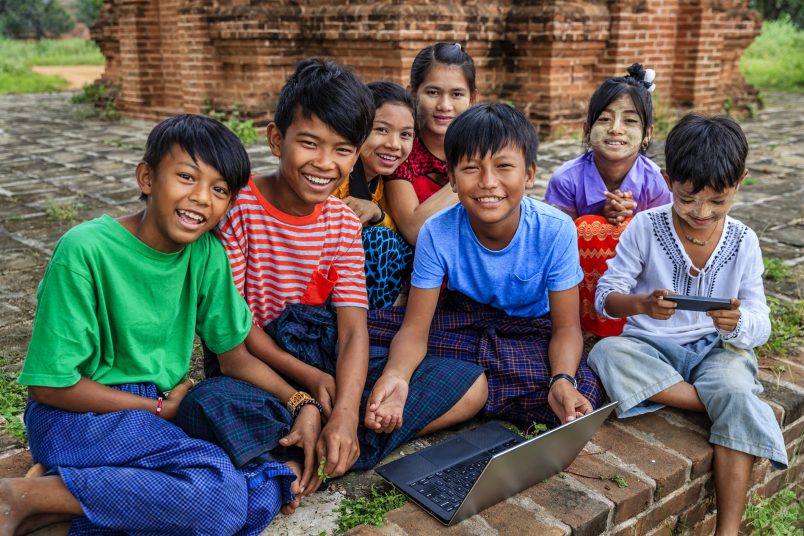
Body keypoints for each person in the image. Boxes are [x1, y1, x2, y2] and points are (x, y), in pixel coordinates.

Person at [177, 59, 487, 494]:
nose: (324, 163)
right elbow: (234, 340)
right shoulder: (237, 207)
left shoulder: (341, 223)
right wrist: (309, 389)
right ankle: (329, 441)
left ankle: (320, 443)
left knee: (469, 385)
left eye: (343, 149)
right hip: (254, 367)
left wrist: (342, 410)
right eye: (309, 143)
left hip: (319, 352)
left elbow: (352, 333)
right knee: (205, 406)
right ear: (276, 138)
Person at [2, 115, 306, 536]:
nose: (202, 198)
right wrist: (158, 409)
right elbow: (49, 386)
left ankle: (58, 506)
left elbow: (235, 359)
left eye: (220, 190)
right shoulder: (86, 250)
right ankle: (20, 497)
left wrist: (301, 402)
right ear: (147, 177)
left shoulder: (206, 255)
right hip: (76, 414)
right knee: (220, 494)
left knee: (221, 500)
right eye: (187, 177)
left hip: (150, 418)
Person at [587, 114, 787, 535]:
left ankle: (727, 530)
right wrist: (640, 303)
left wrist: (735, 324)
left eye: (719, 201)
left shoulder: (744, 241)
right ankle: (730, 400)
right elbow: (605, 298)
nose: (701, 212)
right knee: (606, 352)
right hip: (650, 348)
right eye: (688, 198)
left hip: (716, 347)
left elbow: (760, 321)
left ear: (741, 181)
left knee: (731, 371)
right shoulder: (646, 226)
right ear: (668, 179)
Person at [367, 103, 604, 431]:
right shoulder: (437, 231)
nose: (488, 182)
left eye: (504, 166)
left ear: (530, 175)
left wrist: (562, 379)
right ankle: (464, 387)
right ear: (451, 178)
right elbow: (414, 329)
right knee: (369, 332)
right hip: (461, 320)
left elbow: (566, 329)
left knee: (582, 387)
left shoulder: (556, 229)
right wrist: (397, 376)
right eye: (471, 168)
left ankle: (458, 386)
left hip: (529, 331)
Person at [545, 64, 671, 337]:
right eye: (604, 119)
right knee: (587, 227)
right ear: (587, 129)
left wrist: (634, 223)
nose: (615, 129)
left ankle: (631, 325)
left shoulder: (654, 182)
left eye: (629, 120)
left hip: (636, 289)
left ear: (647, 134)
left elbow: (666, 244)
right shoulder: (566, 179)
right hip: (577, 286)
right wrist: (598, 217)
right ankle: (581, 324)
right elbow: (553, 243)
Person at [383, 42, 477, 246]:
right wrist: (470, 173)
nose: (444, 105)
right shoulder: (401, 151)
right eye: (433, 92)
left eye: (457, 94)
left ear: (472, 98)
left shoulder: (482, 147)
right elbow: (414, 230)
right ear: (413, 94)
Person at [334, 81, 416, 309]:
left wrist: (378, 214)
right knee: (381, 241)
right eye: (381, 130)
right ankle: (374, 324)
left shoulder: (386, 183)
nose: (394, 144)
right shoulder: (336, 175)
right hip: (326, 282)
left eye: (405, 134)